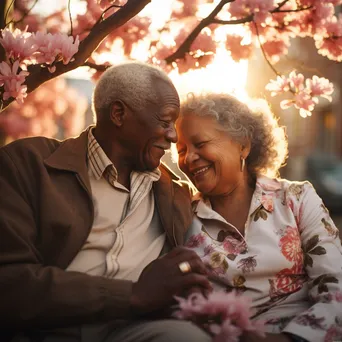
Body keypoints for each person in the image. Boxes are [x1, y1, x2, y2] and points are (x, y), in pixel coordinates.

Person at [0, 62, 212, 342]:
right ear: (119, 114)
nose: (173, 136)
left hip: (135, 331)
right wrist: (132, 295)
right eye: (165, 121)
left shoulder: (176, 192)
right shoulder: (27, 164)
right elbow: (9, 283)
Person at [175, 93, 342, 342]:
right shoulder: (182, 215)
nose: (188, 158)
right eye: (181, 150)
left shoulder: (297, 199)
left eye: (200, 144)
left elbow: (336, 291)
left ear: (243, 145)